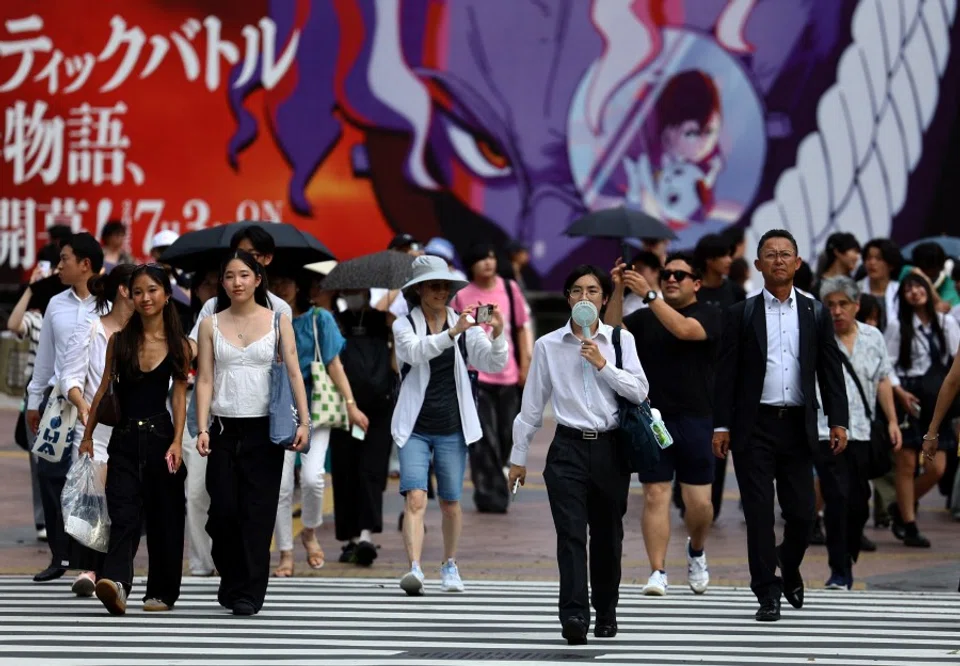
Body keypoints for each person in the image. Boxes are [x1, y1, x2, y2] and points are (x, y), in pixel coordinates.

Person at [713, 229, 848, 622]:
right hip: (754, 426)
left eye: (785, 254)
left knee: (803, 514)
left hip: (798, 427)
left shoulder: (815, 312)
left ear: (798, 262)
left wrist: (837, 420)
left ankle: (788, 566)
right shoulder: (742, 313)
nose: (778, 260)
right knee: (758, 513)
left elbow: (830, 370)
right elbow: (726, 376)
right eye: (770, 254)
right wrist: (722, 426)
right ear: (758, 264)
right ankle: (767, 591)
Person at [509, 265, 648, 645]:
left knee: (607, 536)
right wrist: (518, 457)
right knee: (570, 535)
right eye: (576, 291)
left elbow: (639, 391)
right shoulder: (548, 346)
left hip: (611, 448)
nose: (584, 298)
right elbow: (532, 406)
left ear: (604, 299)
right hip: (567, 448)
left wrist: (604, 366)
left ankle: (606, 610)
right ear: (567, 299)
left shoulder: (620, 341)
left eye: (592, 291)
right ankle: (573, 616)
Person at [195, 251, 311, 616]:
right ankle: (231, 577)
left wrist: (304, 421)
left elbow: (294, 372)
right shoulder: (210, 323)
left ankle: (248, 593)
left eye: (244, 275)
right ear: (222, 282)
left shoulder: (279, 320)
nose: (237, 282)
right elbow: (205, 379)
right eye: (229, 276)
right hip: (224, 429)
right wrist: (201, 428)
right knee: (223, 512)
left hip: (265, 431)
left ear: (258, 279)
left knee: (257, 514)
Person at [392, 255, 509, 596]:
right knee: (415, 497)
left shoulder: (462, 322)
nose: (441, 292)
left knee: (450, 502)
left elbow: (490, 362)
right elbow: (413, 353)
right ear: (418, 291)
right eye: (434, 286)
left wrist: (497, 333)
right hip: (414, 426)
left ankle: (449, 564)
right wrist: (452, 334)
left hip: (453, 428)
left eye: (445, 286)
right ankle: (414, 568)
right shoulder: (405, 324)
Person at [80, 264, 192, 615]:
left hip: (161, 437)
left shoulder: (179, 344)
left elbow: (179, 396)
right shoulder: (120, 340)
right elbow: (102, 391)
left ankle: (161, 592)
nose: (145, 298)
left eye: (152, 290)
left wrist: (177, 441)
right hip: (124, 438)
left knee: (165, 519)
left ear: (166, 294)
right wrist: (86, 436)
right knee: (123, 514)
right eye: (138, 291)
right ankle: (117, 584)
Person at [607, 253, 720, 596]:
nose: (671, 279)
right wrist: (616, 290)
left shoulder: (710, 313)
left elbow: (685, 330)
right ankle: (657, 570)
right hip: (653, 418)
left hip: (698, 418)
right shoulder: (644, 316)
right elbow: (614, 332)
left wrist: (650, 295)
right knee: (655, 494)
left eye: (679, 275)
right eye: (667, 274)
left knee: (698, 503)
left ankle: (696, 550)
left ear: (696, 284)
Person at [271, 269, 369, 576]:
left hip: (316, 408)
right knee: (282, 487)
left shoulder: (319, 318)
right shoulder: (267, 319)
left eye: (286, 279)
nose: (281, 286)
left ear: (299, 284)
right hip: (278, 409)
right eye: (275, 281)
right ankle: (285, 553)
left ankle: (309, 531)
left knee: (313, 479)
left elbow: (334, 364)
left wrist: (351, 405)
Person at [25, 233, 103, 585]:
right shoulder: (56, 303)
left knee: (89, 480)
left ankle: (90, 559)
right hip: (58, 404)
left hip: (95, 407)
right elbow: (45, 360)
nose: (59, 266)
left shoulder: (108, 304)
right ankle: (60, 555)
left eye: (65, 259)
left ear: (85, 264)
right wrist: (33, 399)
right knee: (50, 476)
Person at [814, 277, 902, 590]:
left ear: (856, 305)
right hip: (827, 433)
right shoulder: (817, 339)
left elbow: (882, 380)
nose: (836, 311)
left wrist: (891, 421)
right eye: (830, 305)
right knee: (837, 499)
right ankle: (839, 571)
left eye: (843, 304)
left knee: (860, 502)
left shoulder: (873, 336)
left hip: (864, 433)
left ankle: (846, 555)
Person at [59, 263, 137, 597]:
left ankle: (111, 571)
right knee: (94, 500)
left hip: (134, 431)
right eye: (139, 289)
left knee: (125, 502)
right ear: (124, 290)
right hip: (94, 426)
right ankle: (91, 570)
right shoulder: (90, 329)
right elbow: (70, 378)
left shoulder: (147, 334)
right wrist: (82, 406)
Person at [451, 243, 532, 513]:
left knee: (507, 436)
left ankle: (496, 482)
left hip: (507, 375)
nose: (488, 262)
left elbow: (521, 328)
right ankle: (490, 495)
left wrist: (525, 364)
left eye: (491, 256)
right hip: (477, 377)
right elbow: (454, 331)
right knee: (484, 438)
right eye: (481, 258)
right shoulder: (461, 294)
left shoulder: (509, 288)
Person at [884, 273, 959, 547]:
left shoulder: (945, 322)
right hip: (909, 394)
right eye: (908, 289)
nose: (915, 292)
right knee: (905, 464)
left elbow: (955, 359)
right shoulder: (896, 325)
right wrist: (898, 391)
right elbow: (887, 364)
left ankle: (900, 506)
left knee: (937, 468)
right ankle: (909, 522)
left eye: (919, 286)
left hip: (937, 395)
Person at [330, 289, 396, 566]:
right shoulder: (336, 321)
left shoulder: (385, 320)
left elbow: (396, 360)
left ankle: (367, 535)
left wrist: (393, 325)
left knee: (372, 470)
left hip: (379, 407)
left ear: (369, 293)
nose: (356, 296)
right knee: (345, 471)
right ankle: (350, 538)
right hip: (343, 407)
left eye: (360, 291)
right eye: (350, 292)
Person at [188, 226, 293, 355]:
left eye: (252, 254)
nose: (244, 260)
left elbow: (283, 357)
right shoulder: (213, 305)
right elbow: (194, 344)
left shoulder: (280, 309)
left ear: (268, 258)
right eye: (240, 254)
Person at [182, 267, 219, 577]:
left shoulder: (272, 310)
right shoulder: (210, 310)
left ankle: (230, 557)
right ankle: (201, 560)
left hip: (246, 416)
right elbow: (191, 348)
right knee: (195, 491)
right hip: (201, 412)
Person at [859, 238, 903, 335]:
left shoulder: (901, 291)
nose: (872, 263)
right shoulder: (856, 289)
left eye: (879, 259)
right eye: (868, 258)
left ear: (891, 264)